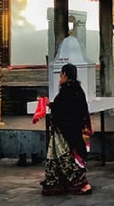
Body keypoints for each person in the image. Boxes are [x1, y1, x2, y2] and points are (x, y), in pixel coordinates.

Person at [36, 63, 93, 196]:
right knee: (61, 157)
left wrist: (51, 104)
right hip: (73, 129)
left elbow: (63, 108)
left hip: (65, 131)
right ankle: (59, 183)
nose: (60, 78)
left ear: (65, 75)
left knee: (66, 158)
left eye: (61, 75)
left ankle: (81, 184)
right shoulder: (78, 89)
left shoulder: (67, 90)